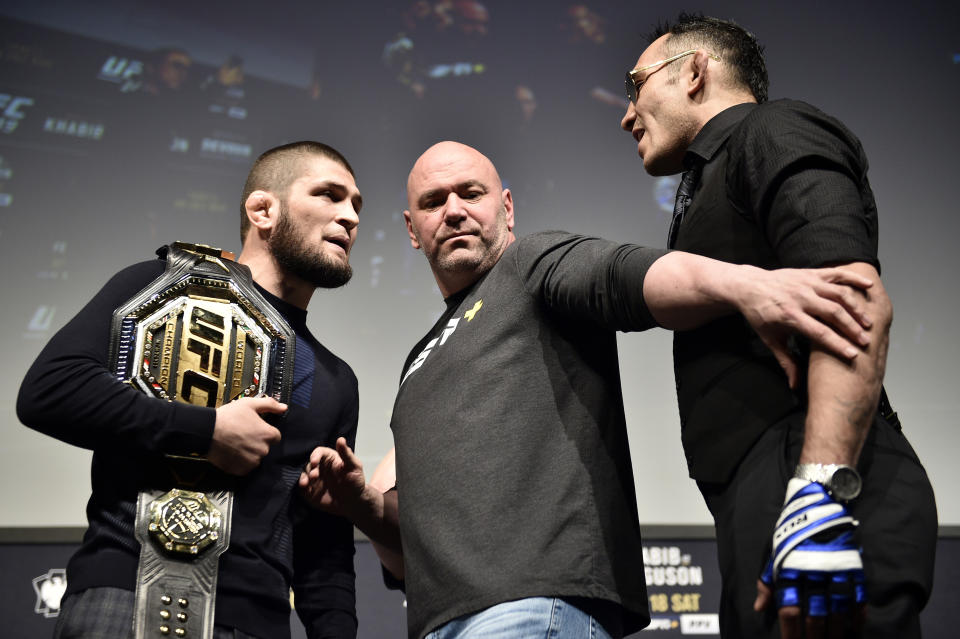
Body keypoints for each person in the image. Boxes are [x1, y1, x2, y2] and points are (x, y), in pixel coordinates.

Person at [299, 140, 880, 639]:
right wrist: (366, 508)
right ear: (411, 230)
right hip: (436, 621)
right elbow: (420, 543)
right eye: (433, 201)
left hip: (533, 611)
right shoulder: (417, 362)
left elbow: (628, 275)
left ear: (506, 207)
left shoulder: (529, 265)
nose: (452, 211)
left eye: (470, 194)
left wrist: (746, 286)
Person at [619, 13, 937, 639]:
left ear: (693, 71)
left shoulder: (773, 128)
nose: (626, 113)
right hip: (766, 500)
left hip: (817, 482)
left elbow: (854, 298)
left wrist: (818, 497)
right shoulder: (711, 178)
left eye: (636, 85)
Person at [17, 141, 364, 639]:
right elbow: (51, 390)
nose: (349, 216)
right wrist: (207, 430)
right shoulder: (160, 286)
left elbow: (324, 550)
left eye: (356, 205)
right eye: (329, 195)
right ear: (263, 210)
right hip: (123, 599)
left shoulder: (336, 380)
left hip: (258, 623)